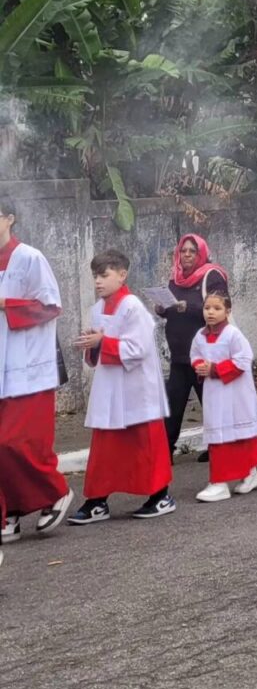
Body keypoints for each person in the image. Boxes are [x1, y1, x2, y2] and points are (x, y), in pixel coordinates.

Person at [69, 250, 174, 523]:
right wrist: (91, 345)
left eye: (104, 275)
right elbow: (96, 351)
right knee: (105, 447)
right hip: (109, 387)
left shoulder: (132, 307)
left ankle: (160, 496)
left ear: (122, 275)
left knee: (145, 444)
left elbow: (138, 349)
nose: (98, 281)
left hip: (137, 387)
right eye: (95, 276)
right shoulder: (97, 309)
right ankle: (97, 501)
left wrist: (102, 343)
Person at [0, 196, 72, 544]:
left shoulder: (29, 258)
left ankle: (55, 491)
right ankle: (10, 512)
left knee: (14, 442)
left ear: (10, 218)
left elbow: (50, 305)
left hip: (26, 367)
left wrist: (6, 304)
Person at [155, 235, 229, 461]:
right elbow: (173, 310)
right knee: (173, 403)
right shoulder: (176, 277)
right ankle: (165, 451)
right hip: (179, 353)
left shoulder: (212, 276)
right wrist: (163, 309)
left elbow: (221, 307)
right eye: (183, 251)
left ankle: (220, 447)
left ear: (201, 254)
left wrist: (189, 307)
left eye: (192, 251)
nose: (186, 255)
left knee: (212, 401)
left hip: (205, 352)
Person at [189, 292, 257, 501]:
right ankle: (243, 475)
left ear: (228, 311)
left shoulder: (233, 334)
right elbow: (195, 355)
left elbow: (244, 359)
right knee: (218, 435)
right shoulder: (199, 336)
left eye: (217, 308)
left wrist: (215, 369)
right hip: (214, 393)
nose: (211, 312)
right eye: (207, 308)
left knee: (240, 434)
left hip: (235, 393)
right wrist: (200, 366)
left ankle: (225, 481)